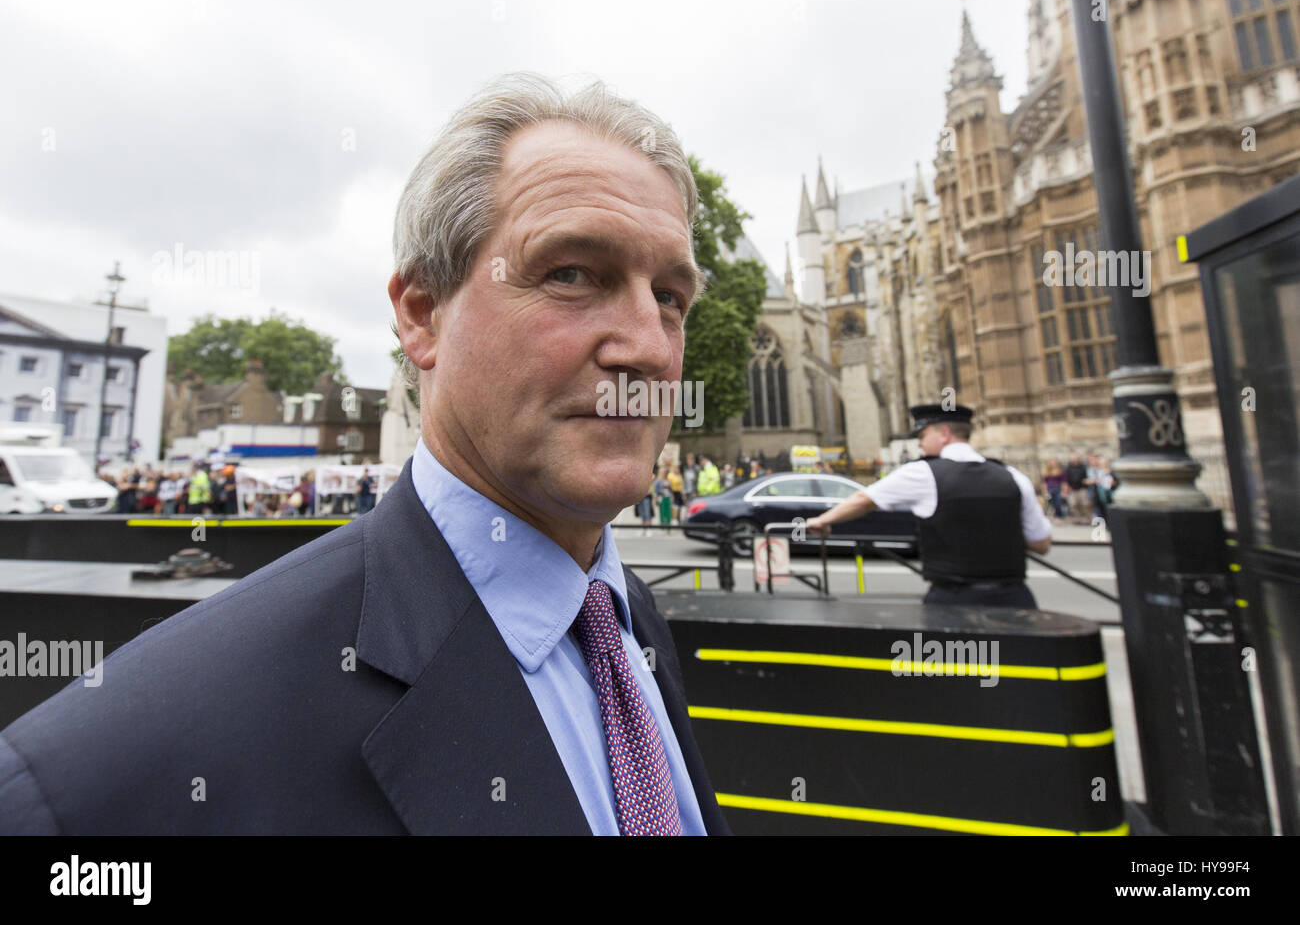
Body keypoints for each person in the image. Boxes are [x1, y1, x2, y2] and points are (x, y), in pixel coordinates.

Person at [0, 72, 726, 835]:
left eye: (670, 296)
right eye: (572, 273)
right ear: (422, 315)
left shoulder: (624, 618)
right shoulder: (97, 782)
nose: (648, 347)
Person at [807, 403, 1052, 609]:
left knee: (957, 665)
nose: (920, 445)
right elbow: (1041, 543)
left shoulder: (923, 473)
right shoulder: (1012, 476)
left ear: (944, 433)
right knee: (1013, 664)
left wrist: (822, 520)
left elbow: (864, 500)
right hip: (1015, 600)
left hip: (955, 601)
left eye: (922, 436)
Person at [1064, 453, 1090, 524]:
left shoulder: (1083, 467)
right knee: (1074, 504)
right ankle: (1078, 518)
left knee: (1085, 504)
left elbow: (1087, 476)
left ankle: (1087, 518)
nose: (1075, 460)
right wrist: (1067, 488)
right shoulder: (1069, 468)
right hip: (1072, 488)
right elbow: (1066, 478)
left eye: (1077, 458)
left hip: (1082, 488)